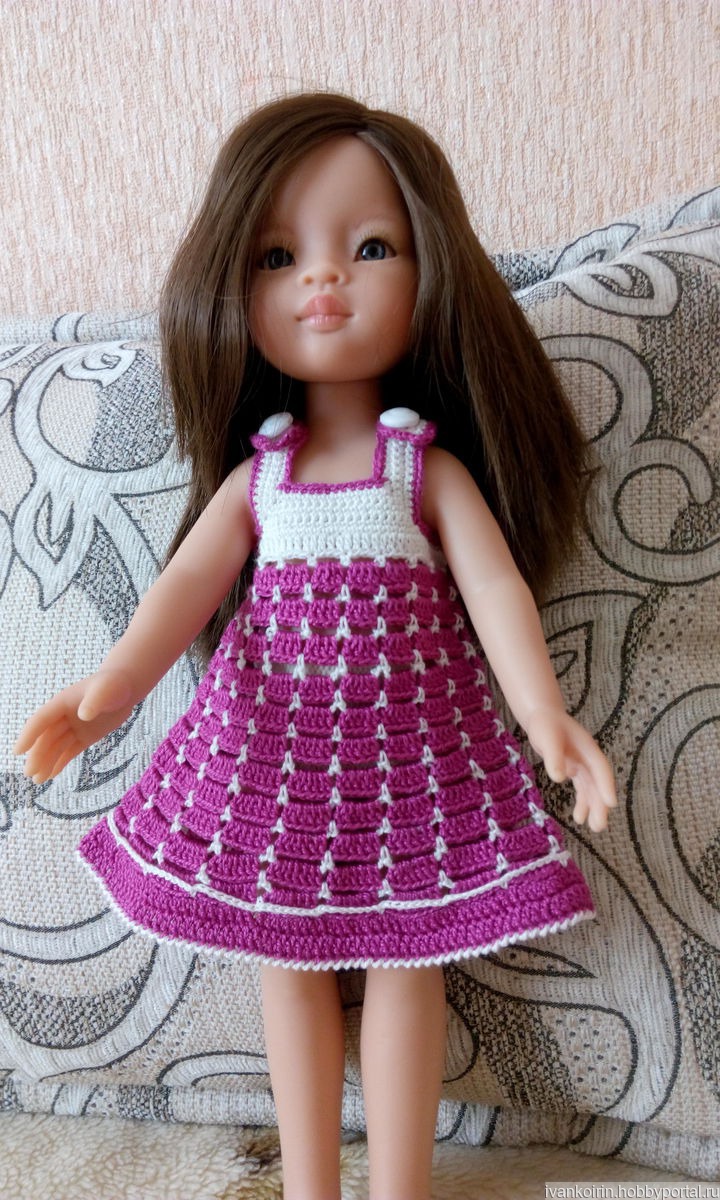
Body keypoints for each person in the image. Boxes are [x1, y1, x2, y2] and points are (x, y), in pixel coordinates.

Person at [15, 93, 616, 1200]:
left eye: (371, 247)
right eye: (278, 257)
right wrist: (109, 689)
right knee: (282, 963)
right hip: (272, 755)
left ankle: (400, 1185)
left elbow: (494, 586)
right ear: (233, 288)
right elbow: (186, 585)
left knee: (406, 961)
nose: (324, 279)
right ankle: (309, 1184)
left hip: (409, 759)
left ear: (432, 271)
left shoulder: (421, 470)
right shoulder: (265, 477)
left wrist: (546, 718)